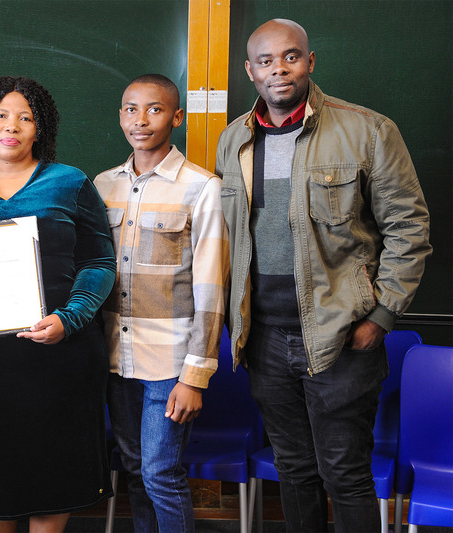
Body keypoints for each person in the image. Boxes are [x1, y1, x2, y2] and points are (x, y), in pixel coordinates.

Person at [215, 19, 432, 532]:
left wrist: (380, 315)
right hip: (263, 338)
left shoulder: (368, 130)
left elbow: (410, 228)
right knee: (293, 470)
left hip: (341, 338)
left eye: (290, 57)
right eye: (265, 61)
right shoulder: (233, 141)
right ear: (250, 71)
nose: (279, 69)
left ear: (310, 62)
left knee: (345, 474)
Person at [0, 76, 116, 533]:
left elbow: (99, 261)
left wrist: (68, 318)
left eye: (25, 117)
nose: (11, 125)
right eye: (0, 115)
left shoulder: (70, 182)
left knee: (52, 480)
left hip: (58, 354)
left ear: (41, 129)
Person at [94, 74, 229, 532]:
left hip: (169, 363)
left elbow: (212, 291)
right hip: (116, 359)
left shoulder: (202, 187)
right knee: (135, 469)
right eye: (131, 109)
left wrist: (195, 376)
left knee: (160, 473)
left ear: (177, 117)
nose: (141, 119)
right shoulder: (102, 185)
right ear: (119, 116)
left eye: (154, 109)